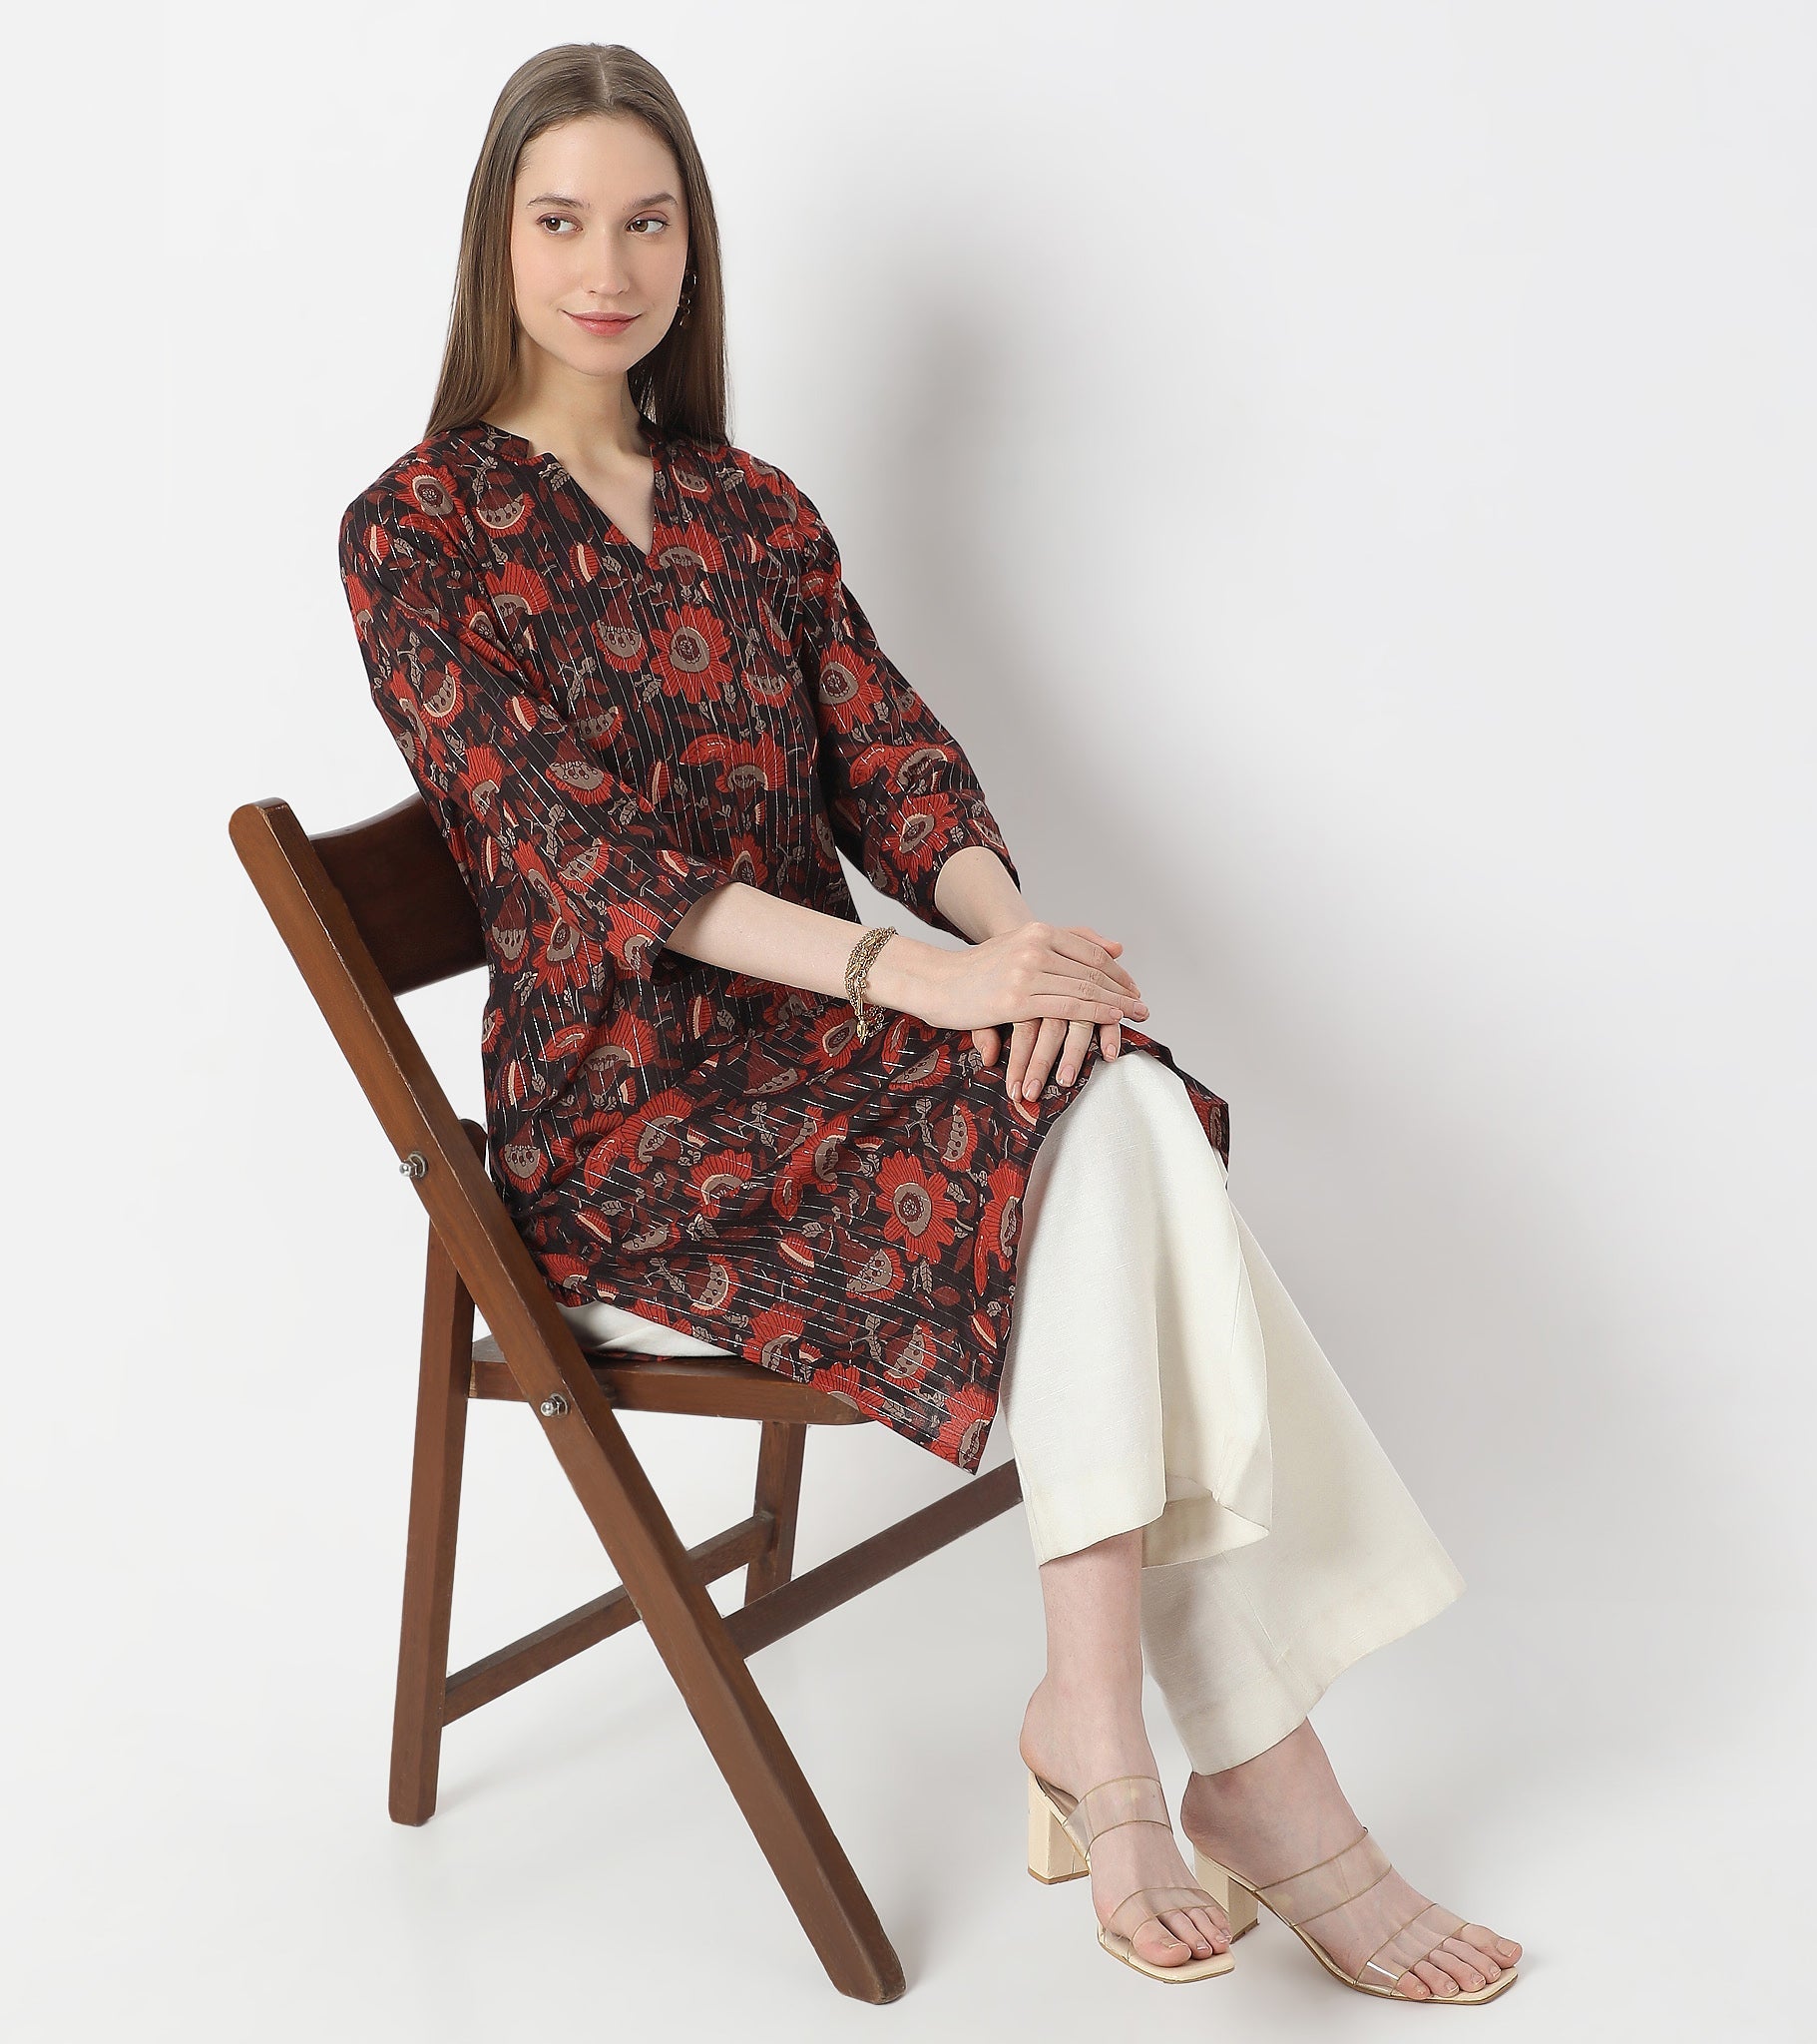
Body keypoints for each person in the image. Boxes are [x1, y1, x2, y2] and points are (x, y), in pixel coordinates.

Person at [337, 42, 1524, 2002]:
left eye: (647, 221)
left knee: (1110, 1092)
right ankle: (1250, 1775)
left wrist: (1019, 948)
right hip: (630, 1136)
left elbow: (891, 762)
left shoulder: (751, 508)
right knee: (1101, 1137)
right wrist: (925, 980)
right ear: (497, 244)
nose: (606, 266)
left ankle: (1106, 1725)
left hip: (819, 1067)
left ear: (695, 248)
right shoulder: (417, 531)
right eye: (560, 221)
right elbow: (583, 861)